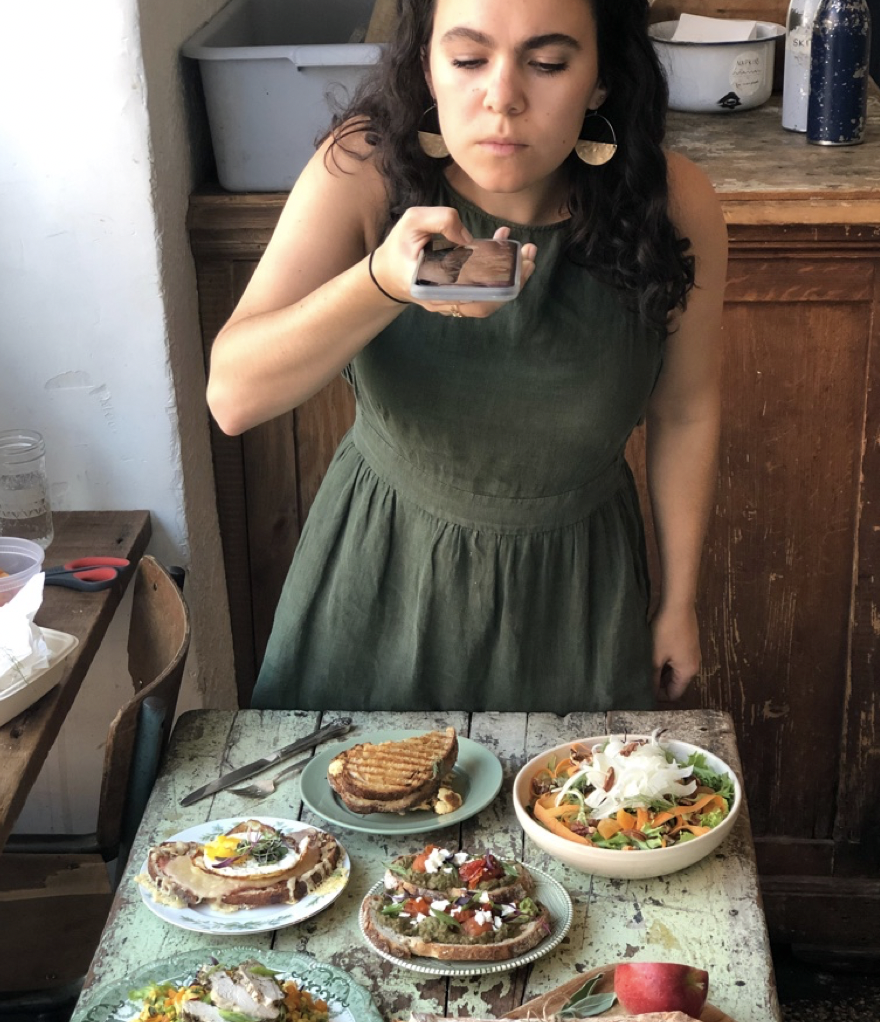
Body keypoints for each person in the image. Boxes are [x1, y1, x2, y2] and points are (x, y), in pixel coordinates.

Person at [206, 0, 727, 715]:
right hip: (381, 587)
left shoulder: (674, 202)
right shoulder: (364, 171)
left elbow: (686, 411)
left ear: (602, 78)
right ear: (428, 69)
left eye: (548, 63)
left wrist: (678, 601)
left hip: (577, 599)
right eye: (468, 59)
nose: (502, 97)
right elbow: (233, 396)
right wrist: (384, 283)